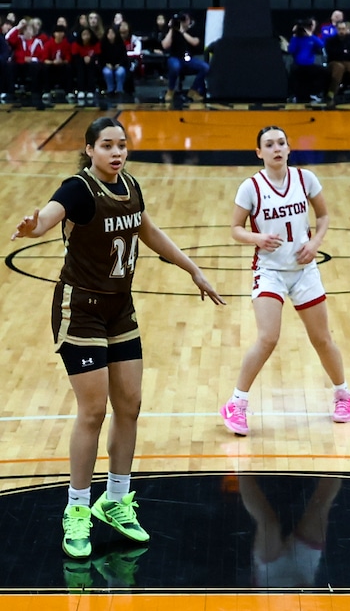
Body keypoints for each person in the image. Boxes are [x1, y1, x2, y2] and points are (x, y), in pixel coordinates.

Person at [10, 116, 225, 559]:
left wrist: (193, 269)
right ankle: (76, 510)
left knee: (130, 404)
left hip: (119, 307)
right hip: (81, 309)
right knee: (92, 411)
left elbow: (148, 231)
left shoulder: (130, 185)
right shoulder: (77, 189)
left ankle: (116, 501)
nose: (116, 152)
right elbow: (50, 215)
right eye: (107, 145)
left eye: (121, 145)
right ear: (89, 149)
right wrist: (35, 225)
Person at [220, 125, 350, 435]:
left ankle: (343, 395)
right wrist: (258, 238)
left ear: (289, 148)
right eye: (269, 144)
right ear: (259, 152)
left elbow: (323, 217)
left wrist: (315, 242)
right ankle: (237, 403)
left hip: (304, 270)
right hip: (270, 271)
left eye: (281, 142)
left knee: (322, 339)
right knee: (268, 337)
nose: (277, 148)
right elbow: (235, 229)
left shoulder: (305, 179)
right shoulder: (250, 187)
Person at [161, 13, 208, 106]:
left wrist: (182, 32)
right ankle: (171, 90)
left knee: (205, 67)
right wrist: (172, 28)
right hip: (175, 58)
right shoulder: (172, 31)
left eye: (185, 20)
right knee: (175, 66)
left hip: (188, 59)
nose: (183, 22)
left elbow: (195, 42)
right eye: (181, 20)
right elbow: (165, 45)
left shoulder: (193, 30)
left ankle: (193, 90)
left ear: (189, 21)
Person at [323, 20, 350, 106]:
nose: (341, 31)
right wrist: (344, 52)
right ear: (336, 30)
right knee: (339, 67)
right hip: (334, 62)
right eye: (340, 29)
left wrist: (343, 53)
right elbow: (331, 53)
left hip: (348, 61)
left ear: (346, 29)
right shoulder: (330, 40)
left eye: (343, 29)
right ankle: (331, 92)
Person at [287, 18, 327, 104]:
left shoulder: (312, 38)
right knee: (293, 72)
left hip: (310, 65)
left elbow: (321, 45)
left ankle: (315, 93)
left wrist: (310, 35)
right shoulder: (296, 38)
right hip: (298, 65)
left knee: (323, 72)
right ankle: (293, 94)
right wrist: (295, 35)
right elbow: (291, 50)